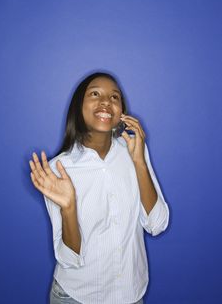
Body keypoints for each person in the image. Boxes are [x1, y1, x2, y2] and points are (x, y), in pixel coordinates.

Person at [29, 71, 169, 304]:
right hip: (76, 297)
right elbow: (69, 259)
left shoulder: (134, 151)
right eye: (95, 94)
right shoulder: (57, 170)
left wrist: (139, 163)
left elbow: (157, 224)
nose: (106, 101)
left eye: (115, 97)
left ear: (121, 111)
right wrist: (69, 207)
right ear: (78, 106)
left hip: (130, 295)